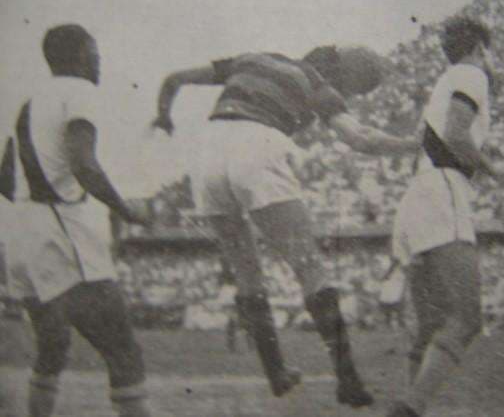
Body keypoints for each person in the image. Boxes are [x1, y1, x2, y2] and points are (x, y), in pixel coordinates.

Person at [151, 44, 408, 407]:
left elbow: (174, 79)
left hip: (206, 151)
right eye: (354, 89)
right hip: (258, 145)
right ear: (344, 76)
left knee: (246, 274)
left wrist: (164, 116)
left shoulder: (252, 58)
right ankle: (347, 380)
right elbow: (360, 138)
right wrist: (418, 146)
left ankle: (277, 373)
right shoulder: (319, 84)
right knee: (310, 268)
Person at [2, 24, 152, 417]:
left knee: (52, 345)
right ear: (82, 56)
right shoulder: (81, 92)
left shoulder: (28, 102)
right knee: (123, 348)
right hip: (60, 229)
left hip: (21, 233)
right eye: (96, 52)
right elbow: (84, 164)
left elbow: (4, 178)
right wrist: (126, 210)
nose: (100, 61)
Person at [386, 17, 504, 417]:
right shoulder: (471, 72)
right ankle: (410, 409)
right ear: (479, 48)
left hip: (417, 197)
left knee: (431, 327)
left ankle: (411, 407)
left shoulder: (446, 82)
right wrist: (502, 174)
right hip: (441, 192)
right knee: (466, 318)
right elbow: (456, 134)